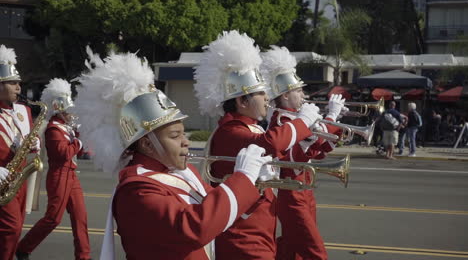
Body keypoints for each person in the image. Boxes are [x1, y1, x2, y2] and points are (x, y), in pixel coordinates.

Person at [73, 48, 272, 260]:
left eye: (183, 133)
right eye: (175, 135)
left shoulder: (183, 173)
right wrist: (242, 178)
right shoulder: (136, 190)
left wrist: (255, 186)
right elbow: (196, 228)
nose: (186, 142)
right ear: (148, 144)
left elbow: (222, 214)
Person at [193, 31, 322, 259]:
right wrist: (303, 123)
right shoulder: (230, 131)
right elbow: (269, 143)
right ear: (242, 101)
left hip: (261, 231)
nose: (266, 98)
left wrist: (307, 142)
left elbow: (282, 161)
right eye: (261, 93)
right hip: (242, 237)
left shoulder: (249, 127)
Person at [260, 46, 347, 260]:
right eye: (298, 91)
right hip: (291, 193)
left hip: (305, 188)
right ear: (286, 95)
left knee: (292, 250)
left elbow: (316, 152)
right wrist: (332, 118)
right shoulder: (282, 121)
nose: (303, 95)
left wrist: (335, 129)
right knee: (315, 251)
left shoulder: (296, 118)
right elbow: (290, 160)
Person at [16, 79, 91, 260]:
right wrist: (79, 142)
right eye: (68, 111)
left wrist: (80, 135)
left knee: (80, 217)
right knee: (53, 218)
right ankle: (23, 248)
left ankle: (84, 256)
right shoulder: (53, 129)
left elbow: (75, 146)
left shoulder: (65, 127)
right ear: (59, 110)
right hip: (60, 175)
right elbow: (63, 153)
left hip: (71, 175)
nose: (71, 114)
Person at [0, 45, 40, 260]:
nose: (18, 87)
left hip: (19, 178)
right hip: (1, 178)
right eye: (13, 83)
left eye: (19, 83)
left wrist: (35, 143)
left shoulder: (22, 110)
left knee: (15, 229)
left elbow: (30, 137)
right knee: (11, 229)